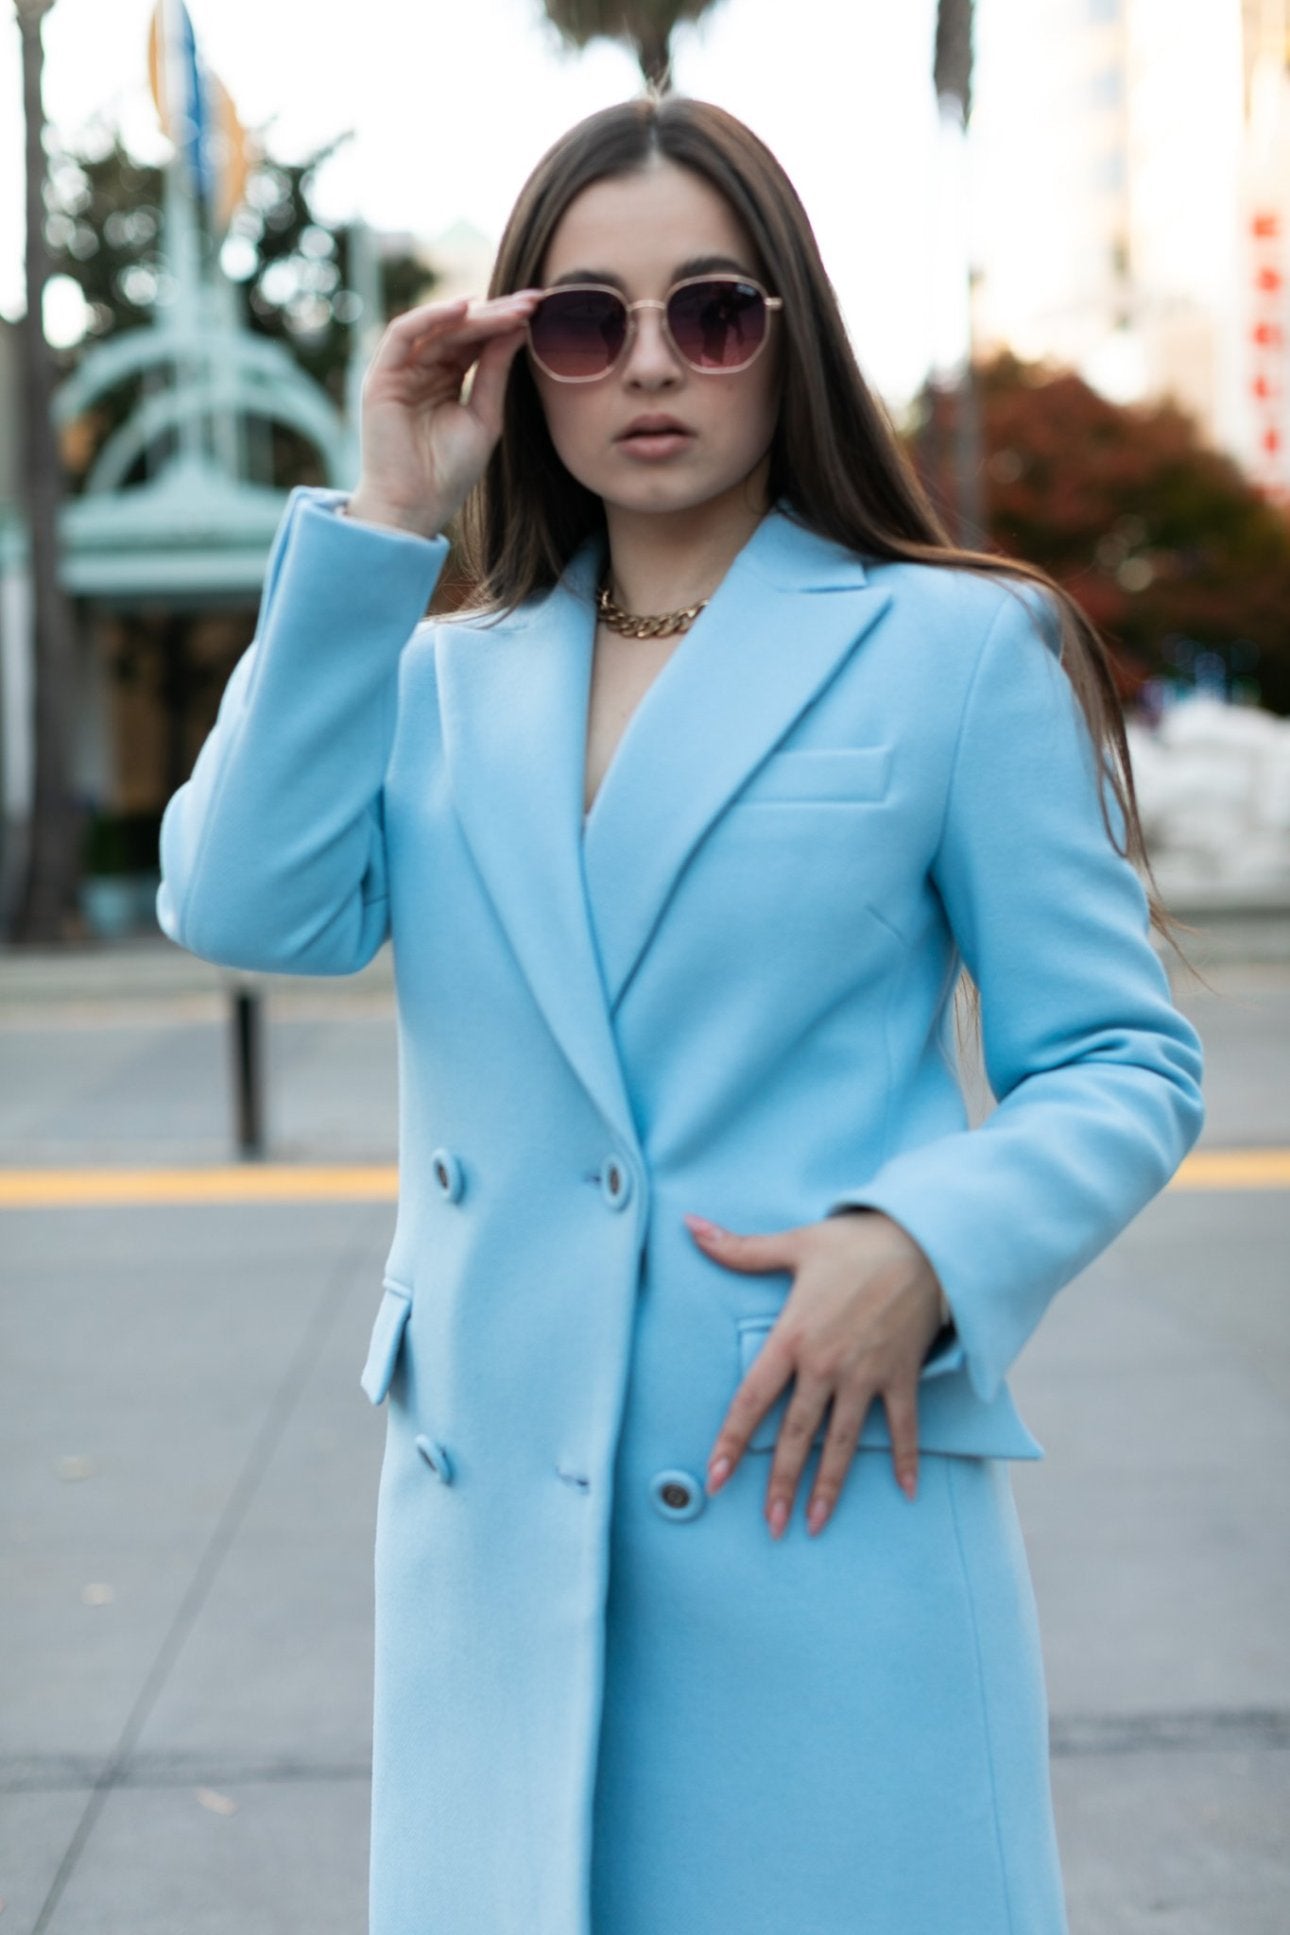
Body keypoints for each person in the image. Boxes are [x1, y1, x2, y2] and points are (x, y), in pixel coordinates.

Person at [156, 90, 1205, 1935]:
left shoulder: (956, 647)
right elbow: (242, 906)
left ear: (785, 338)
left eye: (710, 313)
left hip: (813, 1491)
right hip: (493, 1541)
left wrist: (923, 1243)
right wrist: (385, 513)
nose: (649, 363)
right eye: (585, 321)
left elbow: (1120, 1058)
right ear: (520, 361)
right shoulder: (432, 679)